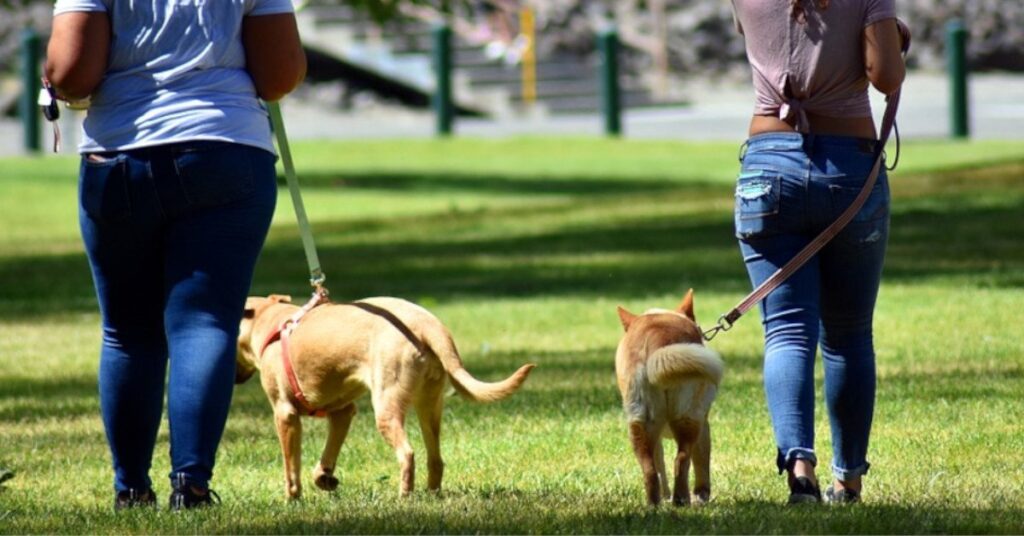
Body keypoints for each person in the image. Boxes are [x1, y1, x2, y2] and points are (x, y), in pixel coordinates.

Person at [46, 0, 306, 510]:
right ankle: (191, 485)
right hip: (226, 146)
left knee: (126, 333)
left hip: (120, 154)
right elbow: (278, 76)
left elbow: (72, 75)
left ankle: (130, 489)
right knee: (206, 322)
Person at [729, 0, 907, 504]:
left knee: (785, 330)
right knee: (848, 335)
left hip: (767, 167)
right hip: (847, 168)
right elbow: (885, 76)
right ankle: (847, 480)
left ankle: (799, 470)